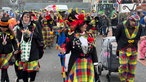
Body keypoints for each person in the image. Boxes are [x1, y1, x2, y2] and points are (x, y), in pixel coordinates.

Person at [60, 13, 99, 82]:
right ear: (79, 26)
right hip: (77, 62)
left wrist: (95, 62)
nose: (86, 26)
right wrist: (63, 50)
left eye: (86, 24)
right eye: (84, 24)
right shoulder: (72, 36)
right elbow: (67, 48)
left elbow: (93, 50)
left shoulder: (90, 36)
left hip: (88, 62)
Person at [13, 12, 42, 82]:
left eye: (28, 17)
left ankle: (32, 80)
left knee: (33, 70)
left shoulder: (33, 26)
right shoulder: (18, 27)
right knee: (23, 70)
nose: (26, 18)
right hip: (22, 51)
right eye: (25, 17)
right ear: (22, 18)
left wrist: (31, 34)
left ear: (30, 19)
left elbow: (38, 36)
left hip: (33, 50)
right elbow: (16, 39)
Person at [115, 14, 142, 82]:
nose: (135, 24)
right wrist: (123, 43)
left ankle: (130, 80)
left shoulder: (139, 26)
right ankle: (123, 78)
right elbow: (117, 36)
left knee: (132, 66)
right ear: (129, 20)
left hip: (133, 49)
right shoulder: (121, 26)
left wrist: (133, 42)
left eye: (136, 22)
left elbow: (138, 36)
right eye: (134, 22)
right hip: (123, 48)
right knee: (123, 65)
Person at [0, 17, 19, 82]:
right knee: (3, 68)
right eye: (2, 27)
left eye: (5, 27)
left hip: (8, 53)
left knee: (4, 68)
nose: (3, 29)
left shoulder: (10, 33)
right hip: (0, 53)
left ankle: (2, 80)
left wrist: (16, 48)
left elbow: (14, 42)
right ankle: (7, 80)